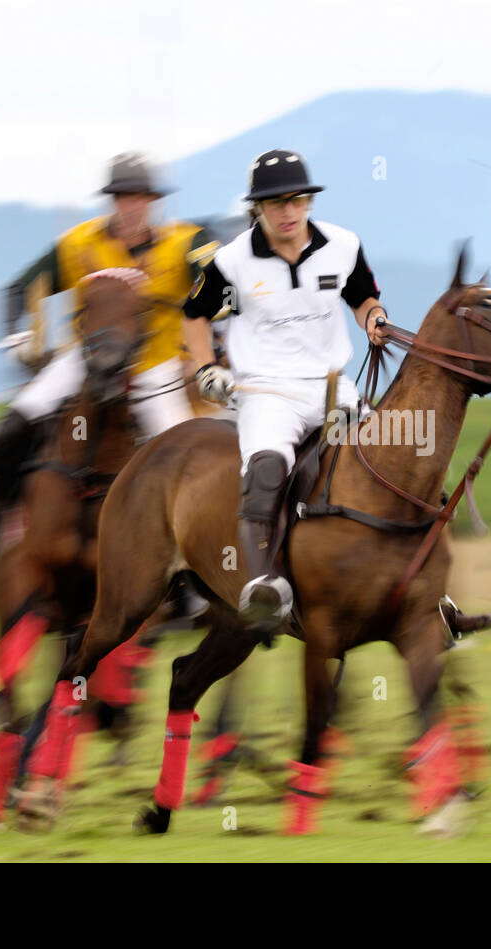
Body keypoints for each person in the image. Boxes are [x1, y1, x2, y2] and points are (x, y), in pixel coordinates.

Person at [0, 153, 219, 568]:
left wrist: (207, 344)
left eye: (141, 198)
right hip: (85, 359)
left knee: (185, 458)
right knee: (13, 426)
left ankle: (188, 563)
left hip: (155, 367)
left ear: (153, 201)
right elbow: (19, 289)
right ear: (112, 201)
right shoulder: (80, 243)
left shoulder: (187, 242)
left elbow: (222, 287)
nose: (132, 206)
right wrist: (16, 336)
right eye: (123, 198)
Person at [182, 148, 387, 630]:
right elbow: (193, 316)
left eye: (296, 200)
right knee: (268, 466)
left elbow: (362, 298)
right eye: (276, 203)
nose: (288, 211)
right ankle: (265, 582)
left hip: (334, 386)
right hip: (266, 392)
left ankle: (424, 585)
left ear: (308, 202)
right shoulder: (230, 262)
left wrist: (374, 320)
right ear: (258, 208)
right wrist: (206, 367)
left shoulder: (343, 244)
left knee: (391, 460)